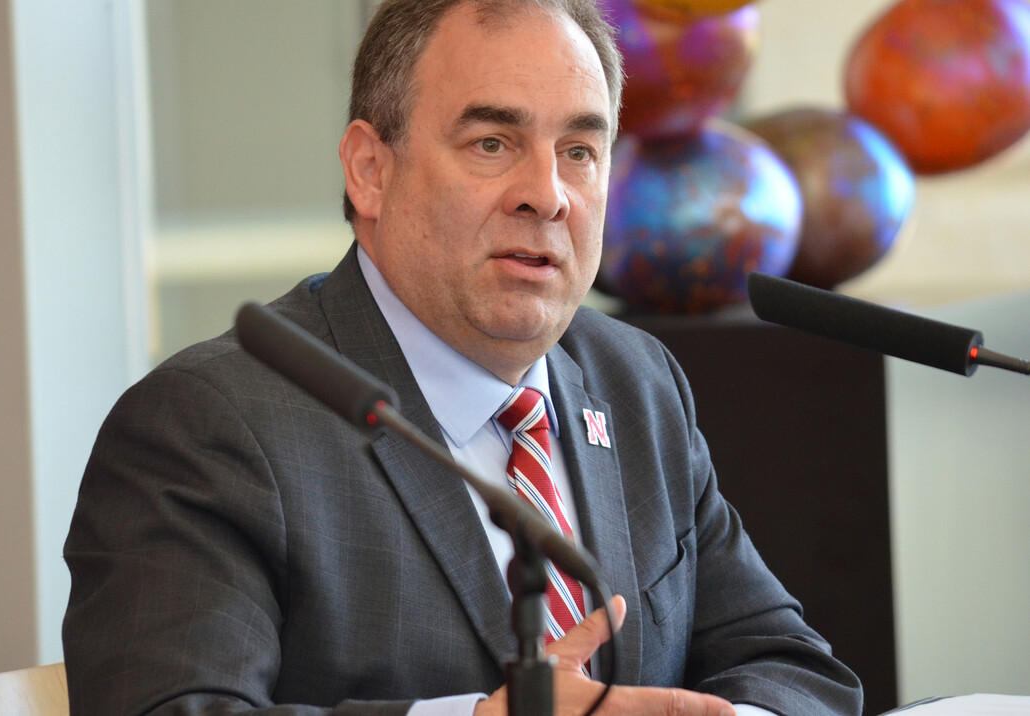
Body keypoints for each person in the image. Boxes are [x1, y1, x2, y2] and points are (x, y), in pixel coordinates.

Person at [62, 1, 864, 714]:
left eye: (580, 151)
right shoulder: (209, 422)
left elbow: (793, 669)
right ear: (369, 170)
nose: (546, 193)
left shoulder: (634, 380)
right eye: (492, 142)